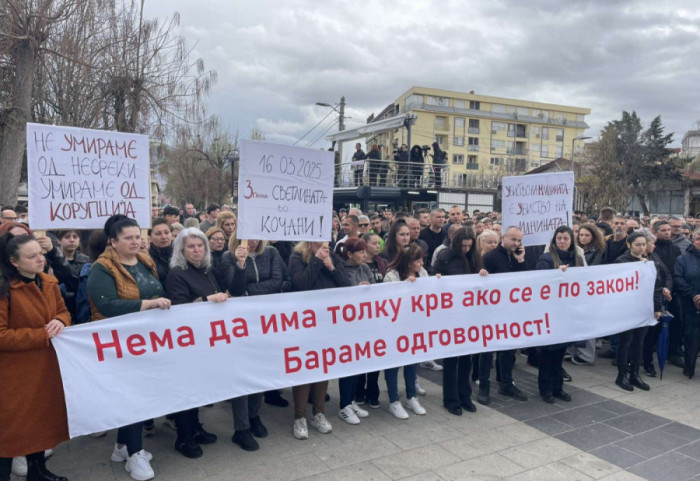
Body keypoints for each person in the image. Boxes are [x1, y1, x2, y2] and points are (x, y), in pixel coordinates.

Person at [87, 214, 173, 481]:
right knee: (132, 396)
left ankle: (121, 447)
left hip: (147, 339)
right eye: (128, 238)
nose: (135, 242)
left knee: (142, 392)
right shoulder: (101, 268)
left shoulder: (145, 261)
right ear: (113, 241)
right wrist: (146, 304)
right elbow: (106, 305)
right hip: (120, 342)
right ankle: (134, 455)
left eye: (138, 236)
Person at [0, 234, 71, 481]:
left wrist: (60, 321)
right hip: (14, 373)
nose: (40, 259)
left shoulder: (49, 282)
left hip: (45, 367)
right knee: (11, 431)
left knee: (39, 423)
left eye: (40, 254)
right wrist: (42, 335)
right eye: (32, 257)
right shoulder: (5, 289)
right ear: (14, 261)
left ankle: (37, 471)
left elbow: (63, 312)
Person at [164, 228, 223, 458]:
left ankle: (195, 428)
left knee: (198, 387)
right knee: (187, 390)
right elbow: (179, 309)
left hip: (204, 339)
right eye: (191, 246)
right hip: (186, 341)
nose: (197, 250)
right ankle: (183, 438)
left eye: (201, 246)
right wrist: (208, 300)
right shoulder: (177, 274)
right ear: (181, 250)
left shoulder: (206, 270)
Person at [287, 241, 350, 439]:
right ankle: (300, 417)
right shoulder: (297, 257)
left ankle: (319, 413)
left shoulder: (332, 256)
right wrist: (316, 261)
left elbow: (347, 284)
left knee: (323, 367)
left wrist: (330, 266)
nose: (323, 243)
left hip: (327, 321)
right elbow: (301, 283)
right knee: (305, 369)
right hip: (305, 321)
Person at [434, 228, 485, 415]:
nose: (466, 249)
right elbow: (435, 279)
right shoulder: (445, 257)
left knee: (466, 359)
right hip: (451, 315)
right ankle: (451, 399)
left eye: (469, 246)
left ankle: (465, 396)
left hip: (470, 314)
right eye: (463, 246)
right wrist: (437, 279)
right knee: (451, 360)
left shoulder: (475, 257)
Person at [478, 226, 527, 405]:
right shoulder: (490, 257)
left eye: (519, 240)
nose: (516, 244)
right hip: (491, 312)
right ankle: (484, 386)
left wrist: (520, 262)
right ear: (503, 238)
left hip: (511, 311)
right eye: (513, 239)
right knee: (487, 352)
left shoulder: (518, 256)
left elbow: (523, 283)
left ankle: (506, 383)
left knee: (508, 350)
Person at [536, 226, 584, 403]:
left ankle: (558, 387)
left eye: (566, 239)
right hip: (551, 312)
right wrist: (557, 276)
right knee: (548, 354)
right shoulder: (546, 259)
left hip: (568, 312)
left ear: (571, 241)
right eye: (559, 238)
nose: (562, 242)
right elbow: (541, 284)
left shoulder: (577, 259)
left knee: (559, 354)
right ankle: (545, 389)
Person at [383, 244, 428, 419]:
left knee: (411, 362)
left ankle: (411, 396)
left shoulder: (422, 273)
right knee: (393, 365)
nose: (421, 263)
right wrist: (405, 287)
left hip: (414, 326)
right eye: (418, 260)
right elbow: (388, 302)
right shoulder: (391, 276)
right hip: (395, 327)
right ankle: (394, 401)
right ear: (408, 262)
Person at [614, 232, 662, 391]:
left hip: (644, 307)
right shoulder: (622, 261)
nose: (641, 248)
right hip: (627, 308)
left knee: (639, 342)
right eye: (638, 244)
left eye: (643, 244)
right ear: (629, 245)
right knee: (626, 341)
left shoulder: (650, 262)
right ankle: (621, 375)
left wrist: (657, 307)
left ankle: (635, 374)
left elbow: (656, 286)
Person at [334, 238, 374, 424]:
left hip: (363, 324)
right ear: (350, 254)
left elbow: (374, 288)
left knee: (358, 364)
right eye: (361, 252)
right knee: (348, 365)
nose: (365, 255)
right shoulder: (340, 269)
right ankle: (343, 405)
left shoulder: (364, 268)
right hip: (346, 326)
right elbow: (339, 294)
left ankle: (350, 401)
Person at [674, 228, 700, 378]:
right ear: (693, 240)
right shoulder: (683, 259)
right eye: (698, 239)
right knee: (691, 336)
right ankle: (689, 367)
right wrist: (694, 295)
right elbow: (679, 279)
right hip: (689, 303)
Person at [55, 229, 89, 320]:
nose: (72, 240)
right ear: (59, 240)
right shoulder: (51, 260)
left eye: (75, 237)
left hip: (80, 305)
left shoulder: (87, 260)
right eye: (67, 237)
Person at [148, 218, 173, 283]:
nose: (164, 237)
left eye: (166, 232)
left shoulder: (180, 253)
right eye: (158, 234)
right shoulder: (147, 257)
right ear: (150, 238)